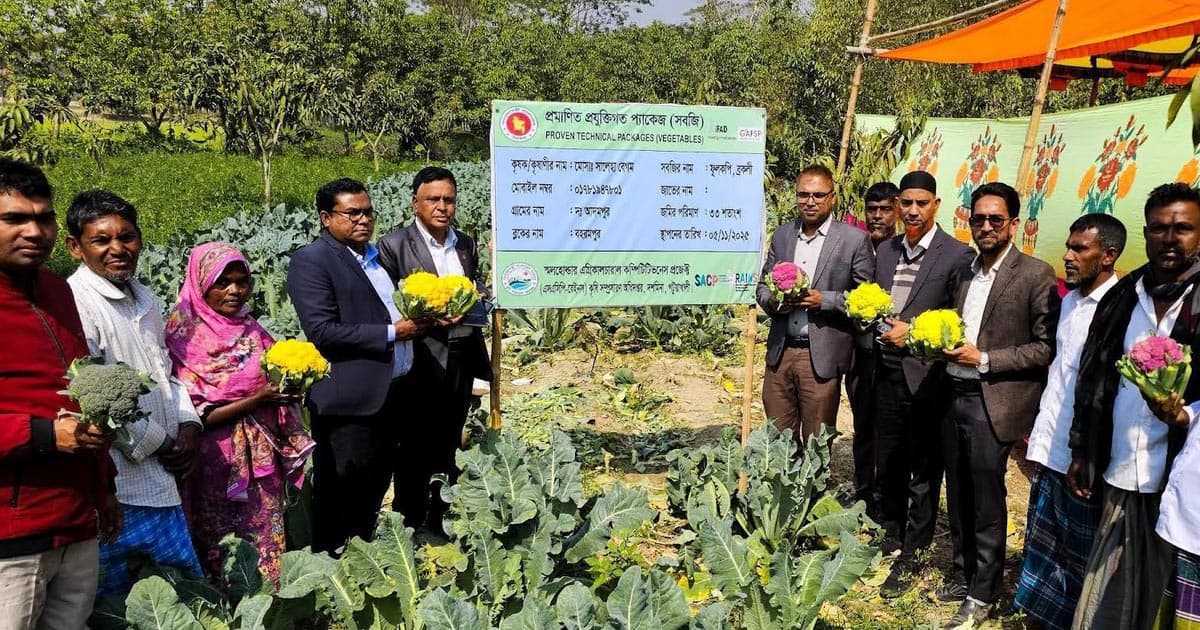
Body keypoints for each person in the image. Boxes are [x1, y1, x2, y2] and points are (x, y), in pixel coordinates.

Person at [1068, 183, 1200, 630]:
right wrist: (1083, 450)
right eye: (1160, 228)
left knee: (1167, 595)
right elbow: (1092, 380)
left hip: (1183, 483)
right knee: (1112, 588)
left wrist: (1182, 413)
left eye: (1183, 228)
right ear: (1145, 233)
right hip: (1122, 469)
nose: (1170, 238)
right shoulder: (1123, 297)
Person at [64, 189, 204, 599]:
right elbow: (91, 397)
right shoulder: (78, 303)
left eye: (126, 237)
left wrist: (188, 424)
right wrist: (161, 442)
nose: (118, 249)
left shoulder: (145, 298)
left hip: (163, 477)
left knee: (174, 593)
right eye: (101, 240)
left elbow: (167, 372)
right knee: (120, 600)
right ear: (76, 247)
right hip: (119, 483)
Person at [0, 159, 119, 629]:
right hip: (13, 533)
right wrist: (49, 436)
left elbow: (81, 395)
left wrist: (104, 486)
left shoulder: (56, 290)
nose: (34, 231)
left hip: (75, 521)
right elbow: (57, 424)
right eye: (14, 219)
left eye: (44, 217)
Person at [938, 182, 1059, 629]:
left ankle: (983, 592)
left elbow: (1044, 348)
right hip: (953, 393)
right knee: (958, 490)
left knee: (987, 497)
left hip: (996, 401)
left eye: (995, 219)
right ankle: (961, 571)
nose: (985, 226)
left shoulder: (1034, 274)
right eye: (978, 219)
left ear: (1013, 224)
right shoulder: (965, 273)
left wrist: (984, 359)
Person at [165, 242, 315, 585]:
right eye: (223, 282)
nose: (235, 291)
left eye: (242, 281)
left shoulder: (252, 330)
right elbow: (189, 415)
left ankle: (271, 605)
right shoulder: (182, 336)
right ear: (201, 283)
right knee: (219, 539)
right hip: (213, 462)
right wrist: (257, 399)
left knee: (264, 529)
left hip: (262, 460)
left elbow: (279, 373)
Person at [287, 178, 424, 554]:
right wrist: (394, 333)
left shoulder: (374, 256)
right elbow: (323, 331)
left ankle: (362, 554)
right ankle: (332, 565)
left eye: (368, 212)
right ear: (326, 218)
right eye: (353, 213)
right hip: (349, 399)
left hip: (390, 391)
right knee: (341, 486)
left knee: (375, 480)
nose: (363, 220)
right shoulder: (312, 260)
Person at [1013, 215, 1125, 630]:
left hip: (1082, 456)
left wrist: (1088, 452)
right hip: (1050, 442)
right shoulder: (1071, 301)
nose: (1068, 256)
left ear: (1109, 256)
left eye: (1080, 249)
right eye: (1069, 247)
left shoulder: (1118, 310)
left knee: (1080, 556)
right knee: (1046, 547)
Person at [872, 171, 974, 597]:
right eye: (906, 203)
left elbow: (957, 319)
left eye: (921, 203)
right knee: (890, 457)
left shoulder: (956, 255)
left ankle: (913, 556)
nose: (912, 211)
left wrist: (911, 332)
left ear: (936, 205)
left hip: (928, 376)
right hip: (885, 371)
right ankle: (891, 535)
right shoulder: (886, 250)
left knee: (923, 469)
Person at [378, 166, 491, 532]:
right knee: (412, 444)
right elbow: (387, 301)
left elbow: (475, 287)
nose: (442, 207)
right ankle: (410, 520)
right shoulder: (393, 246)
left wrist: (481, 298)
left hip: (461, 353)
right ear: (416, 203)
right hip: (418, 357)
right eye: (434, 199)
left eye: (449, 200)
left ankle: (445, 516)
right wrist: (427, 316)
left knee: (449, 437)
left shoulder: (466, 244)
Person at [758, 164, 874, 442]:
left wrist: (825, 300)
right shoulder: (784, 235)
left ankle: (812, 488)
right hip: (781, 352)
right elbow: (762, 287)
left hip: (821, 357)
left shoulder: (854, 240)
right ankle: (782, 486)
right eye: (803, 194)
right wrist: (776, 302)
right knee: (777, 438)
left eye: (818, 195)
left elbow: (866, 300)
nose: (810, 202)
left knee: (816, 442)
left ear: (832, 197)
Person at [846, 181, 901, 511]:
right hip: (860, 353)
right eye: (872, 210)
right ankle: (864, 490)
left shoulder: (901, 249)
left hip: (894, 355)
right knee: (863, 424)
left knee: (889, 429)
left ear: (896, 210)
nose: (877, 217)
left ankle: (887, 495)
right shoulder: (858, 244)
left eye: (884, 210)